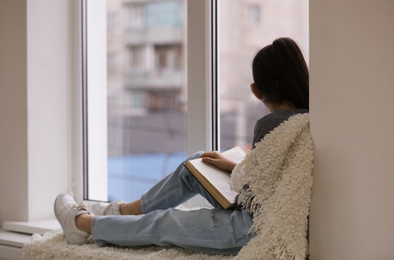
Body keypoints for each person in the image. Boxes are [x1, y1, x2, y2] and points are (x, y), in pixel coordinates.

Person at [54, 37, 309, 256]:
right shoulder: (307, 119)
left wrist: (239, 171)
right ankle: (124, 211)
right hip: (260, 215)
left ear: (255, 90)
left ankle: (83, 225)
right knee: (198, 163)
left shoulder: (271, 124)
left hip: (249, 229)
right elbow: (277, 183)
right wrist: (234, 166)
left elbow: (256, 198)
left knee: (165, 222)